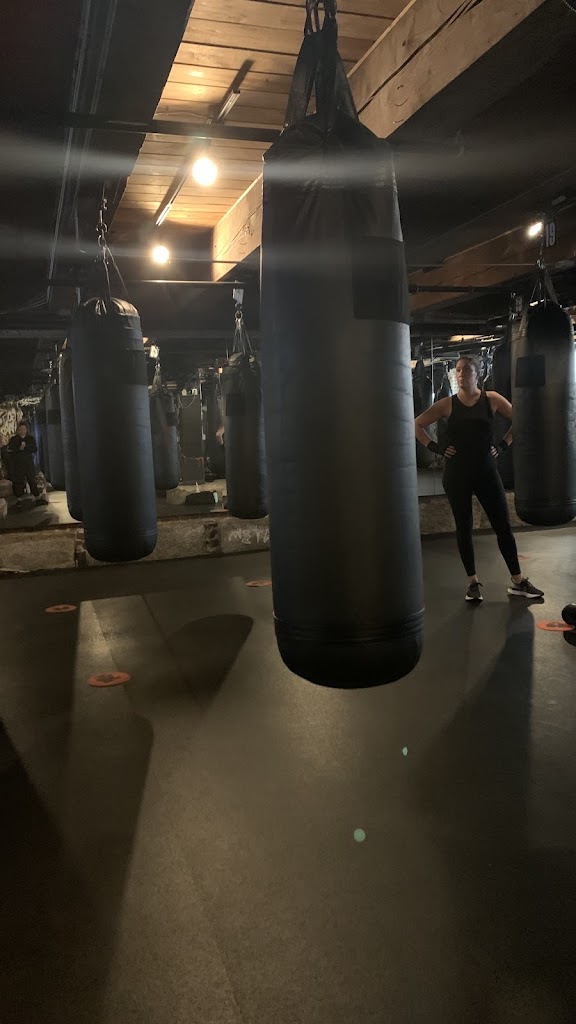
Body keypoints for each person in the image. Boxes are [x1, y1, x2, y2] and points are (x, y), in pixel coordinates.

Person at [414, 355, 544, 602]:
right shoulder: (447, 404)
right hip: (457, 474)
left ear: (477, 374)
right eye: (458, 370)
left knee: (503, 526)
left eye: (466, 370)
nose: (461, 374)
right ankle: (472, 583)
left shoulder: (491, 399)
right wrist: (436, 448)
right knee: (464, 527)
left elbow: (520, 420)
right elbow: (417, 424)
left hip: (486, 471)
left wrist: (503, 445)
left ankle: (518, 581)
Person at [7, 422, 46, 509]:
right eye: (20, 429)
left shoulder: (30, 438)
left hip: (28, 463)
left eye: (24, 429)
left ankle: (37, 497)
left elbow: (34, 449)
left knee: (32, 479)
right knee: (18, 481)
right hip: (18, 463)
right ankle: (19, 500)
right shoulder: (14, 439)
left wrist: (25, 447)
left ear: (26, 430)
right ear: (18, 430)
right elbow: (10, 450)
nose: (22, 431)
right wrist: (19, 449)